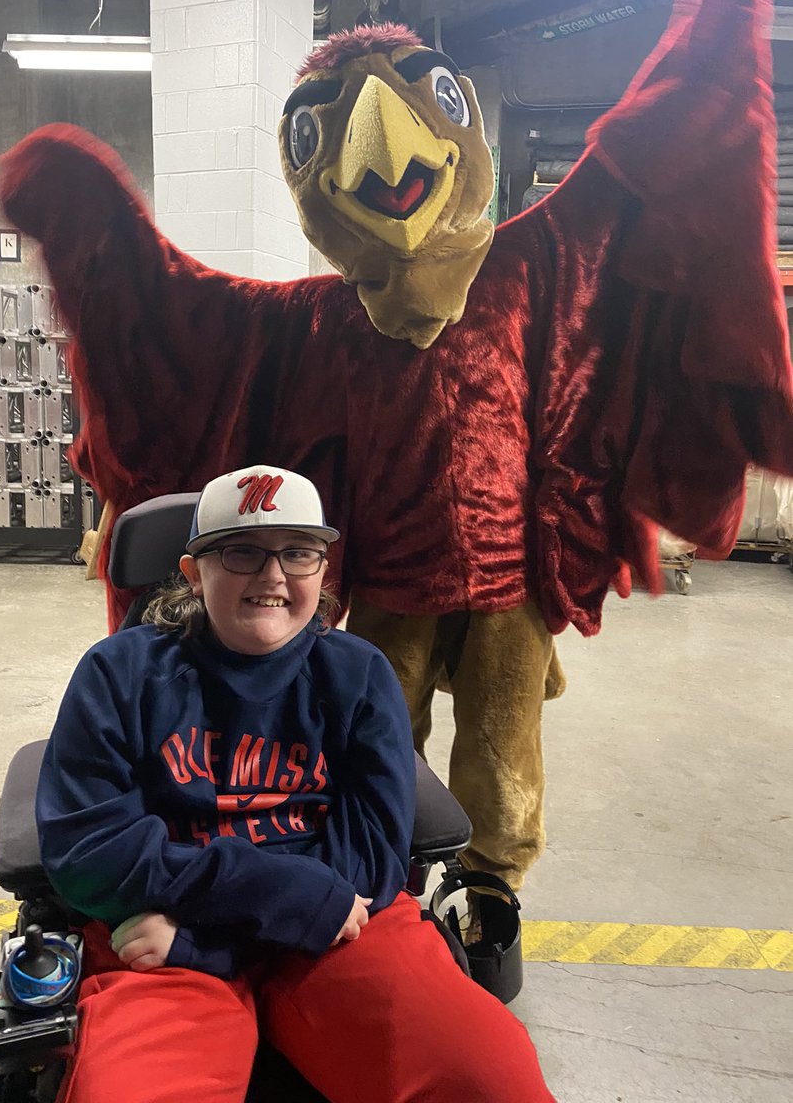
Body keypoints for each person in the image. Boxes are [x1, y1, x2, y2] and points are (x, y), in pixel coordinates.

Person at [36, 465, 555, 1103]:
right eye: (243, 551)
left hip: (335, 926)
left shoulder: (358, 673)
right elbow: (90, 854)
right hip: (161, 937)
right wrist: (279, 898)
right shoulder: (119, 674)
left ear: (322, 571)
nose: (274, 575)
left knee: (493, 1079)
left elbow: (373, 851)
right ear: (194, 572)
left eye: (299, 553)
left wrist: (212, 943)